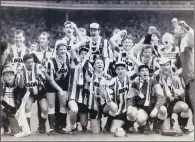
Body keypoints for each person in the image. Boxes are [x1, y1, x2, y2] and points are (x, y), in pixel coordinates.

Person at [18, 54, 55, 134]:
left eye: (32, 62)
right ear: (24, 63)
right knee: (27, 107)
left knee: (45, 109)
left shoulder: (38, 67)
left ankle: (42, 125)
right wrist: (20, 75)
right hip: (28, 93)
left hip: (40, 91)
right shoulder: (21, 69)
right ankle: (28, 128)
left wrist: (43, 75)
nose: (31, 64)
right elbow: (21, 86)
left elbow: (46, 78)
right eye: (28, 62)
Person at [153, 58, 190, 134]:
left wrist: (177, 93)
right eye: (163, 65)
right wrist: (167, 95)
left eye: (167, 65)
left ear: (170, 65)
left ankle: (182, 125)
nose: (166, 67)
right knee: (166, 130)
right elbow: (156, 95)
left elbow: (182, 93)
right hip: (162, 104)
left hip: (172, 104)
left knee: (185, 107)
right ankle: (158, 123)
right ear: (160, 66)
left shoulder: (176, 76)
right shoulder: (156, 77)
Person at [127, 65, 167, 135]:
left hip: (153, 107)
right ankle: (144, 125)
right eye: (142, 71)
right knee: (140, 119)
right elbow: (130, 97)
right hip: (143, 108)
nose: (144, 72)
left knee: (163, 109)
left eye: (146, 70)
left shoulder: (154, 82)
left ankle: (157, 124)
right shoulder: (135, 83)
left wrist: (156, 108)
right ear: (139, 73)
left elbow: (161, 97)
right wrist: (129, 106)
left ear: (148, 72)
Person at [173, 20, 194, 136]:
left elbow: (192, 38)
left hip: (192, 76)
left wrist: (186, 26)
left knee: (193, 102)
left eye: (177, 29)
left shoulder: (188, 40)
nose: (174, 30)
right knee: (187, 102)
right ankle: (183, 126)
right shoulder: (180, 43)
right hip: (185, 78)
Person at [45, 42, 71, 135]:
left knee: (63, 104)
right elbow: (50, 79)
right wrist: (59, 90)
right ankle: (52, 128)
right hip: (51, 84)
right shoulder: (50, 62)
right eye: (60, 49)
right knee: (51, 105)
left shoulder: (68, 59)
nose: (63, 51)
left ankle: (62, 126)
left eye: (64, 49)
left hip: (63, 83)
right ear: (57, 51)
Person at [103, 61, 134, 133]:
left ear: (125, 70)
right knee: (113, 131)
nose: (120, 71)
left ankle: (130, 124)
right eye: (118, 69)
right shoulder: (113, 81)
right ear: (116, 71)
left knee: (132, 112)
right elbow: (107, 94)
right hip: (117, 111)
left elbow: (138, 68)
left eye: (122, 69)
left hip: (128, 109)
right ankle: (111, 122)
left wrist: (131, 57)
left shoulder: (130, 79)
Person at [68, 47, 93, 134]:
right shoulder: (75, 63)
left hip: (84, 96)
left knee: (84, 124)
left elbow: (88, 79)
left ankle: (80, 119)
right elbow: (71, 50)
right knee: (74, 110)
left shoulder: (89, 66)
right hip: (73, 94)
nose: (84, 55)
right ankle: (73, 126)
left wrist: (86, 64)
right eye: (82, 53)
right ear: (79, 55)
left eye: (86, 54)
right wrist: (83, 41)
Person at [0, 65, 27, 137]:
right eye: (7, 75)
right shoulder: (2, 86)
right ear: (3, 77)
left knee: (16, 133)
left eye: (11, 75)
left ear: (14, 76)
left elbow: (22, 87)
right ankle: (3, 126)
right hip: (3, 110)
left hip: (13, 111)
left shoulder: (17, 87)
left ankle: (7, 126)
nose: (9, 77)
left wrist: (21, 74)